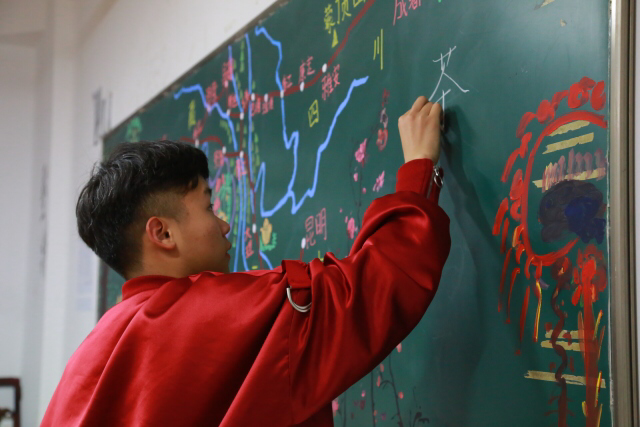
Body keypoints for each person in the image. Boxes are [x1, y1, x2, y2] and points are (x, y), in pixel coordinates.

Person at [41, 96, 450, 426]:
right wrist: (419, 168)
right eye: (208, 207)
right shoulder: (214, 315)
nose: (223, 225)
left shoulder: (88, 359)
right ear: (162, 233)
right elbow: (368, 289)